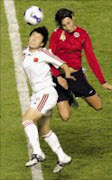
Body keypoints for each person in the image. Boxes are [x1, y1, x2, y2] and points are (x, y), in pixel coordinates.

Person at [22, 26, 74, 173]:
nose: (33, 39)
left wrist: (67, 75)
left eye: (37, 38)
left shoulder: (44, 53)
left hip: (47, 93)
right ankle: (62, 156)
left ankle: (38, 153)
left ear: (42, 43)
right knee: (44, 131)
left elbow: (63, 64)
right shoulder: (25, 53)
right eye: (32, 35)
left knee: (27, 120)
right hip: (37, 95)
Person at [49, 8, 112, 121]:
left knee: (98, 106)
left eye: (69, 23)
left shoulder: (83, 34)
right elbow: (50, 57)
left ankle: (78, 90)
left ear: (73, 18)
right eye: (64, 25)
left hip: (76, 76)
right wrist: (58, 77)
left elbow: (91, 58)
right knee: (65, 117)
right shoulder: (56, 34)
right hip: (60, 77)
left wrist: (102, 81)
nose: (68, 27)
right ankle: (69, 96)